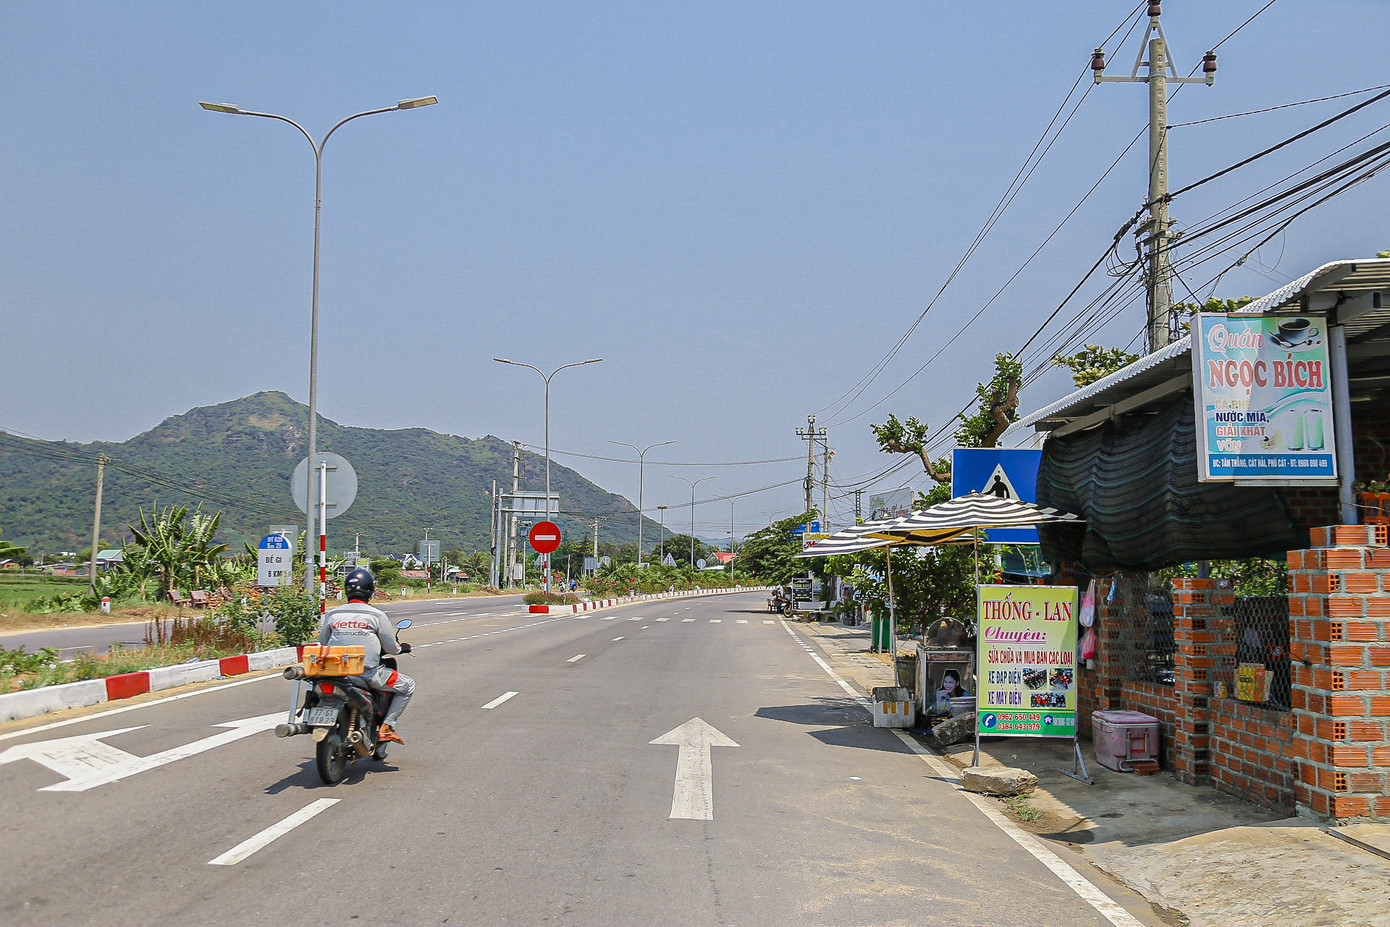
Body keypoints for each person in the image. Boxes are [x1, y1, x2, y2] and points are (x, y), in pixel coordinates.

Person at [318, 567, 414, 745]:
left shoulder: (333, 614)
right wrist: (402, 648)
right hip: (366, 673)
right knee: (408, 685)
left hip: (334, 672)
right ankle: (386, 727)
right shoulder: (376, 615)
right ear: (371, 590)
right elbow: (391, 648)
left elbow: (323, 643)